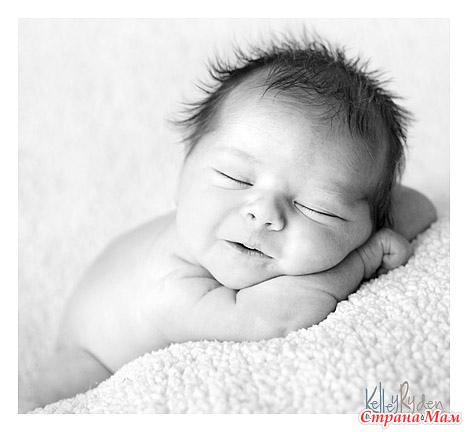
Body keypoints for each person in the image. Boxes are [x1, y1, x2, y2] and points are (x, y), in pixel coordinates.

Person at [27, 38, 436, 410]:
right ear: (183, 173)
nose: (263, 213)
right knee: (55, 399)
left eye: (318, 208)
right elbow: (274, 318)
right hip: (90, 353)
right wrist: (361, 259)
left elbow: (419, 207)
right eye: (235, 178)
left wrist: (377, 221)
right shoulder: (172, 284)